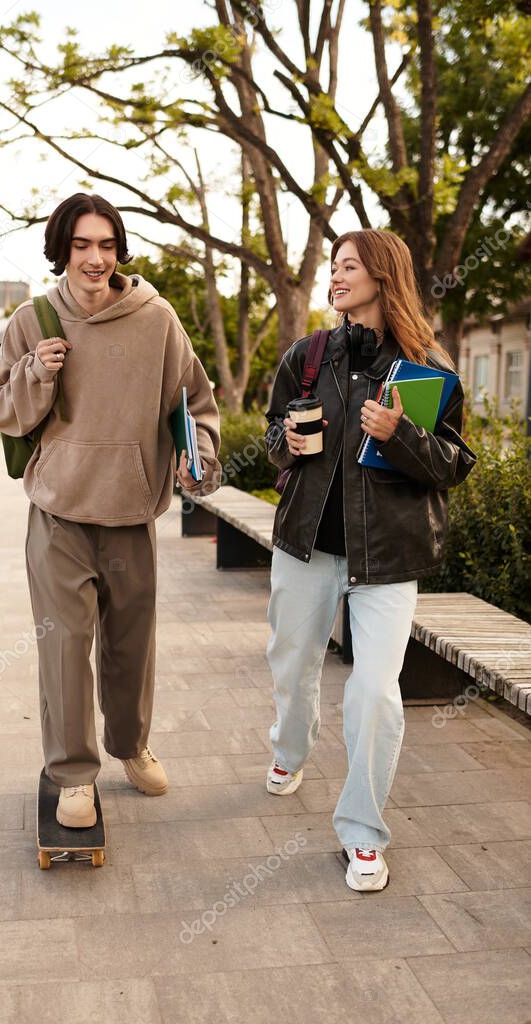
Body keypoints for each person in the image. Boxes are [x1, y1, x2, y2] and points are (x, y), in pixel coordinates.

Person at [0, 193, 220, 827]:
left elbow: (195, 403)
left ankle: (131, 745)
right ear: (61, 249)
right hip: (58, 514)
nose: (96, 258)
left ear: (120, 250)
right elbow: (2, 410)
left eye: (107, 245)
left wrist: (198, 458)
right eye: (82, 245)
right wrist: (35, 371)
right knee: (65, 649)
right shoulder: (31, 320)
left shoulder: (157, 319)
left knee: (131, 646)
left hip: (131, 512)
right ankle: (72, 775)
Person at [264, 228, 476, 891]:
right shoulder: (307, 355)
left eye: (348, 266)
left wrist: (400, 434)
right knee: (291, 663)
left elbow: (454, 463)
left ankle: (362, 832)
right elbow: (271, 436)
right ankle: (290, 747)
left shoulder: (427, 366)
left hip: (387, 559)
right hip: (306, 546)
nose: (335, 276)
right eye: (332, 265)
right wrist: (288, 441)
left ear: (383, 275)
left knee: (375, 693)